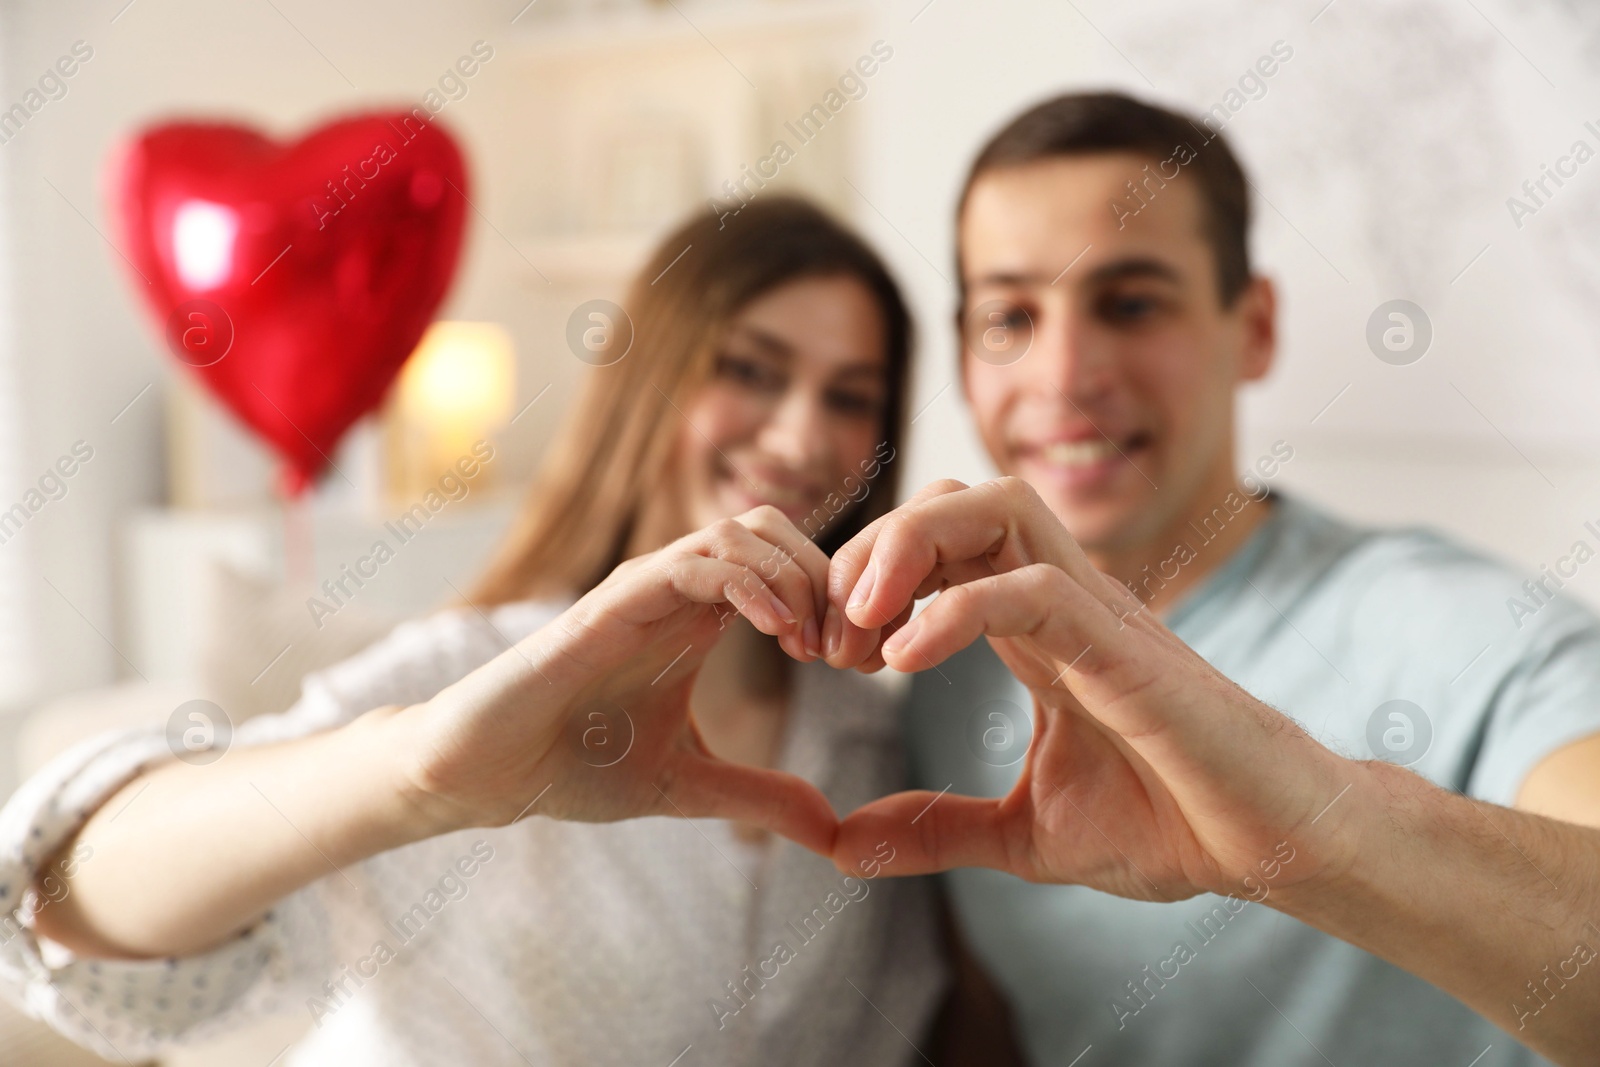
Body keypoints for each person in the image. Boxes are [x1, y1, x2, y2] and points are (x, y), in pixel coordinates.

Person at [0, 197, 956, 1066]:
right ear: (650, 383)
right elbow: (62, 902)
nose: (799, 439)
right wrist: (421, 780)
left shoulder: (876, 743)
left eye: (848, 396)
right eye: (750, 369)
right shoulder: (477, 678)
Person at [815, 92, 1600, 1066]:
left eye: (1131, 302)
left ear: (1255, 324)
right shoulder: (946, 669)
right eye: (1010, 315)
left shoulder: (1472, 631)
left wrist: (1319, 827)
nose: (1063, 373)